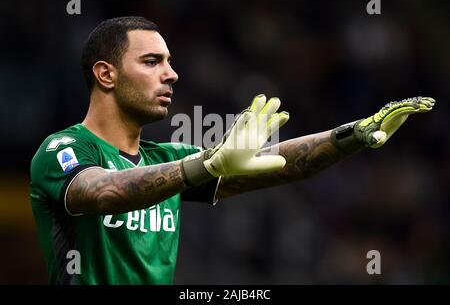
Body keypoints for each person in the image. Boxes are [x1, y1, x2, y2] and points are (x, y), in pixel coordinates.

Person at [29, 16, 435, 285]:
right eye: (152, 62)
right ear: (106, 74)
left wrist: (352, 135)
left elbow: (281, 165)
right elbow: (103, 192)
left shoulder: (165, 157)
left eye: (169, 62)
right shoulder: (64, 148)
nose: (171, 73)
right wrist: (202, 165)